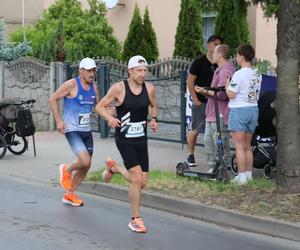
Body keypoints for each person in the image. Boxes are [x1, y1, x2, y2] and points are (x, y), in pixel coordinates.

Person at [95, 55, 158, 233]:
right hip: (124, 139)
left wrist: (154, 119)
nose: (142, 74)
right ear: (130, 71)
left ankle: (113, 168)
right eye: (139, 71)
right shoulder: (119, 89)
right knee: (136, 178)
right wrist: (110, 118)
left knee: (142, 182)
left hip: (141, 139)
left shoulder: (150, 88)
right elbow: (99, 107)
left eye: (145, 70)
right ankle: (135, 219)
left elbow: (154, 105)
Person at [49, 57, 99, 206]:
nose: (92, 73)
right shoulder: (71, 85)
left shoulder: (94, 87)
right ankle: (66, 169)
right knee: (85, 160)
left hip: (86, 130)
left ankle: (69, 194)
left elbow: (97, 106)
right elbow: (52, 99)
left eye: (94, 70)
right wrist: (59, 120)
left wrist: (111, 113)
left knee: (86, 165)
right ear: (81, 71)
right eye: (89, 70)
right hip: (72, 129)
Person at [195, 44, 235, 173]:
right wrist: (205, 90)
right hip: (212, 113)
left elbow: (223, 94)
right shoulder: (220, 69)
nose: (212, 55)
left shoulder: (225, 71)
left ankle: (222, 167)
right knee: (208, 141)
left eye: (214, 53)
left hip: (220, 114)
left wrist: (204, 92)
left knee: (220, 143)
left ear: (220, 55)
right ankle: (213, 167)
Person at [226, 44, 262, 185]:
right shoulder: (257, 74)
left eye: (237, 55)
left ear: (241, 56)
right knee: (247, 146)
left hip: (239, 110)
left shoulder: (238, 74)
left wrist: (227, 85)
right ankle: (248, 175)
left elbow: (231, 94)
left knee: (239, 146)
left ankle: (241, 177)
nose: (236, 57)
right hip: (253, 109)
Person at [186, 35, 223, 166]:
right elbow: (190, 82)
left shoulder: (221, 62)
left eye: (218, 44)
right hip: (201, 101)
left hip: (216, 103)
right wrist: (195, 99)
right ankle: (190, 155)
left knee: (216, 131)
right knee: (195, 129)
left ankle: (218, 157)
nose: (215, 46)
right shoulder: (198, 62)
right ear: (208, 45)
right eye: (214, 44)